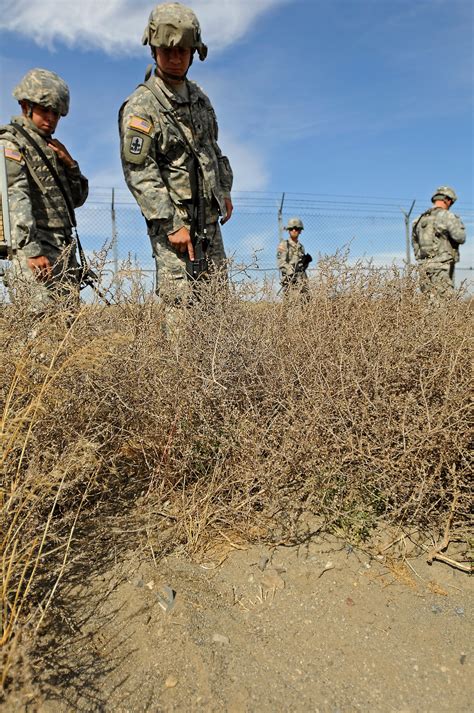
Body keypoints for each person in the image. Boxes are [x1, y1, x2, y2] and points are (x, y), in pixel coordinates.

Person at [119, 2, 233, 309]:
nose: (175, 58)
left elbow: (212, 149)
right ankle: (181, 361)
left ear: (194, 53)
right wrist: (171, 225)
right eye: (167, 50)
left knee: (219, 306)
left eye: (183, 51)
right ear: (153, 50)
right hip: (175, 227)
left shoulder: (200, 99)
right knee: (181, 306)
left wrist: (223, 191)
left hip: (209, 223)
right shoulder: (142, 105)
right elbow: (139, 172)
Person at [0, 68, 89, 315]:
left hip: (63, 246)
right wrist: (31, 251)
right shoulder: (11, 143)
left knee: (67, 324)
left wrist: (70, 164)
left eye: (55, 113)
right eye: (43, 110)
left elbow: (77, 199)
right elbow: (15, 195)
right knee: (39, 325)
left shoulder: (51, 147)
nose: (50, 118)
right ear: (25, 106)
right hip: (36, 248)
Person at [412, 186, 466, 298]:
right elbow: (460, 237)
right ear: (447, 200)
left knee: (427, 302)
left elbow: (415, 244)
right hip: (442, 267)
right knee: (443, 303)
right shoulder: (447, 216)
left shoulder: (419, 220)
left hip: (423, 266)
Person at [277, 217, 312, 297]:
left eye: (296, 228)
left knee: (306, 304)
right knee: (293, 305)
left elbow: (302, 267)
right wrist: (292, 271)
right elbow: (281, 263)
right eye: (291, 228)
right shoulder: (284, 245)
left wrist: (305, 263)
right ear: (288, 230)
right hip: (291, 281)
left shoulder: (301, 247)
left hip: (302, 280)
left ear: (300, 231)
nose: (294, 230)